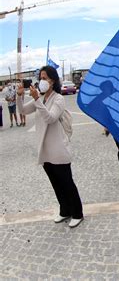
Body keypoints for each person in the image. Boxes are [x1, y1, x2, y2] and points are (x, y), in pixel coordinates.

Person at [17, 66, 84, 228]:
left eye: (45, 78)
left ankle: (77, 213)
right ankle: (64, 210)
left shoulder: (58, 99)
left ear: (53, 81)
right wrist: (20, 97)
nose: (42, 81)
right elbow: (23, 111)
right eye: (41, 78)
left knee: (67, 183)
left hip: (59, 150)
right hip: (45, 150)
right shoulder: (41, 98)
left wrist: (37, 100)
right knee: (56, 184)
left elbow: (50, 118)